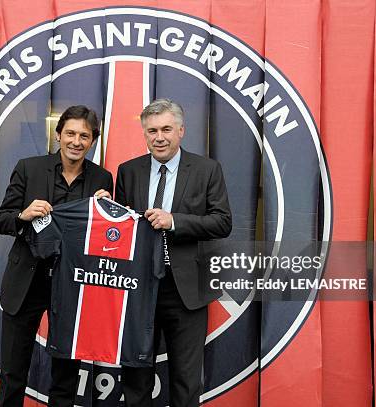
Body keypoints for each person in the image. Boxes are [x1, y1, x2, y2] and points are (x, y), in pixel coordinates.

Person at [101, 98, 232, 406]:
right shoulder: (128, 171)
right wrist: (105, 210)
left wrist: (174, 221)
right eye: (151, 131)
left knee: (186, 380)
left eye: (166, 129)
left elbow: (222, 222)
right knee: (136, 375)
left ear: (181, 131)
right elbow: (122, 228)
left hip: (185, 289)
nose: (159, 137)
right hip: (139, 288)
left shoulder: (206, 169)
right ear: (144, 134)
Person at [0, 105, 113, 407]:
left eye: (84, 136)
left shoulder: (102, 179)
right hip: (27, 282)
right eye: (70, 133)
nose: (76, 141)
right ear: (58, 135)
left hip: (72, 285)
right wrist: (23, 215)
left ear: (92, 141)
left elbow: (105, 238)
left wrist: (107, 212)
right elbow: (1, 219)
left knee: (66, 375)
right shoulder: (28, 167)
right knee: (13, 370)